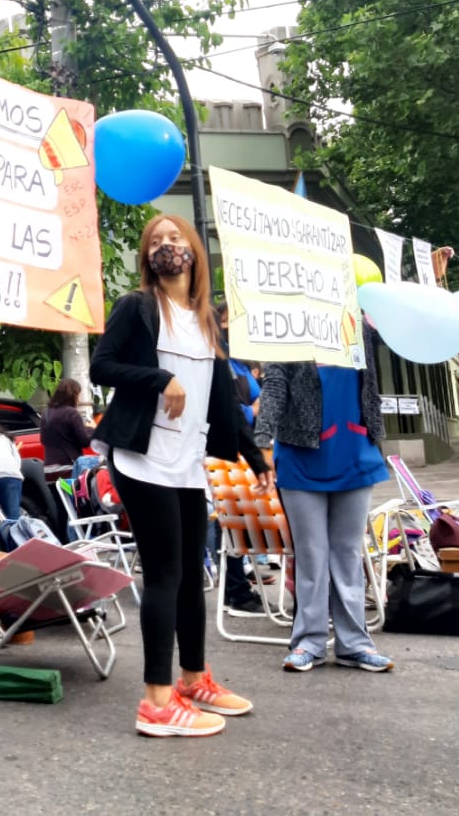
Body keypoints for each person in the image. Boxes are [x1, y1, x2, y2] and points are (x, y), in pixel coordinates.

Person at [89, 214, 271, 738]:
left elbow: (223, 401)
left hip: (188, 465)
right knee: (166, 574)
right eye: (157, 242)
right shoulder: (138, 308)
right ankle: (156, 703)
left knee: (193, 575)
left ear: (194, 252)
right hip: (142, 462)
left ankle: (194, 679)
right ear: (147, 258)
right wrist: (160, 376)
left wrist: (255, 458)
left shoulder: (207, 321)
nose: (167, 247)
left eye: (176, 240)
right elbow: (102, 367)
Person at [255, 323, 395, 674]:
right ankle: (309, 642)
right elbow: (274, 386)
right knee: (311, 553)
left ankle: (355, 644)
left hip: (354, 450)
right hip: (301, 455)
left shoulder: (360, 326)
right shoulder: (285, 326)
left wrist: (378, 320)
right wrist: (261, 442)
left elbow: (397, 345)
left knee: (347, 552)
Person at [212, 304, 268, 615]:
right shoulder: (219, 359)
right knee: (231, 520)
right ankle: (236, 589)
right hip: (226, 450)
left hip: (250, 446)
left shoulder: (240, 364)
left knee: (244, 520)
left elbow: (261, 400)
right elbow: (231, 408)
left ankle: (238, 586)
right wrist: (252, 410)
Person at [40, 378, 94, 469]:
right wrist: (92, 429)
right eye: (78, 395)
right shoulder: (72, 413)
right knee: (70, 484)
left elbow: (43, 439)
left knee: (58, 484)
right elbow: (85, 441)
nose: (79, 400)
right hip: (69, 467)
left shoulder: (46, 412)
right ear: (73, 395)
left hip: (49, 468)